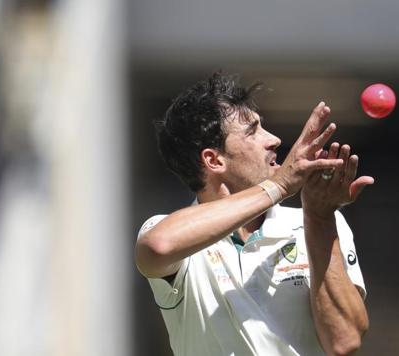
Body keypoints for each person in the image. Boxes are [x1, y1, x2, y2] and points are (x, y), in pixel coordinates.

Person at [135, 72, 373, 356]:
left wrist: (320, 220)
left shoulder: (312, 223)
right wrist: (280, 185)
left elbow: (345, 342)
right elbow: (157, 246)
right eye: (252, 131)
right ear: (214, 160)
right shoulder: (174, 234)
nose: (273, 140)